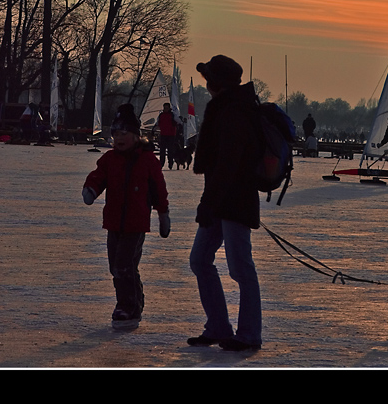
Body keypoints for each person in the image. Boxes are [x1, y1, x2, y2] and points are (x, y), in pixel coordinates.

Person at [188, 55, 264, 351]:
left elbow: (229, 164)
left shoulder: (235, 110)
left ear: (216, 83)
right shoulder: (227, 107)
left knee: (241, 268)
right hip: (221, 200)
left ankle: (249, 334)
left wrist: (210, 202)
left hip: (235, 200)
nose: (206, 85)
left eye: (208, 79)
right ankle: (219, 326)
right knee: (200, 260)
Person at [82, 103, 170, 324]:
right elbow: (98, 175)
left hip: (135, 223)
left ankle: (127, 305)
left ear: (135, 136)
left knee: (124, 263)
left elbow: (158, 189)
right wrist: (91, 189)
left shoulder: (147, 160)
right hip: (113, 221)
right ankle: (135, 298)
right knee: (116, 265)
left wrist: (163, 214)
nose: (119, 138)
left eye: (125, 134)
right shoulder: (110, 159)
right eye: (116, 134)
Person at [154, 102, 180, 170]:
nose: (165, 109)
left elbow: (178, 121)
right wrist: (154, 129)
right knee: (162, 150)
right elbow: (157, 123)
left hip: (171, 135)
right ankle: (161, 163)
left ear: (169, 108)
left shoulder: (173, 115)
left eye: (166, 108)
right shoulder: (161, 115)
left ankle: (170, 163)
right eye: (164, 108)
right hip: (163, 134)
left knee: (170, 150)